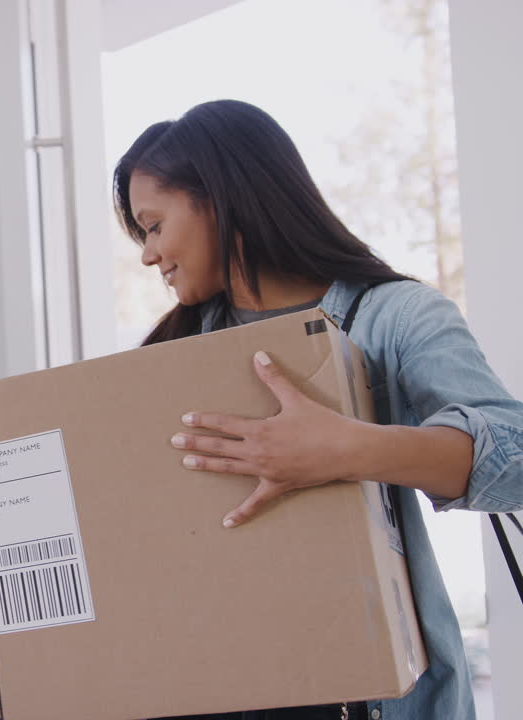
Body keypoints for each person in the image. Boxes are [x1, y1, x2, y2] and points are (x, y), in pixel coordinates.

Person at [111, 99, 523, 720]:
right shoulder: (174, 355)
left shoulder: (396, 317)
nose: (148, 253)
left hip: (373, 696)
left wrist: (345, 449)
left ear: (220, 199)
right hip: (221, 685)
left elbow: (514, 456)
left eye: (154, 224)